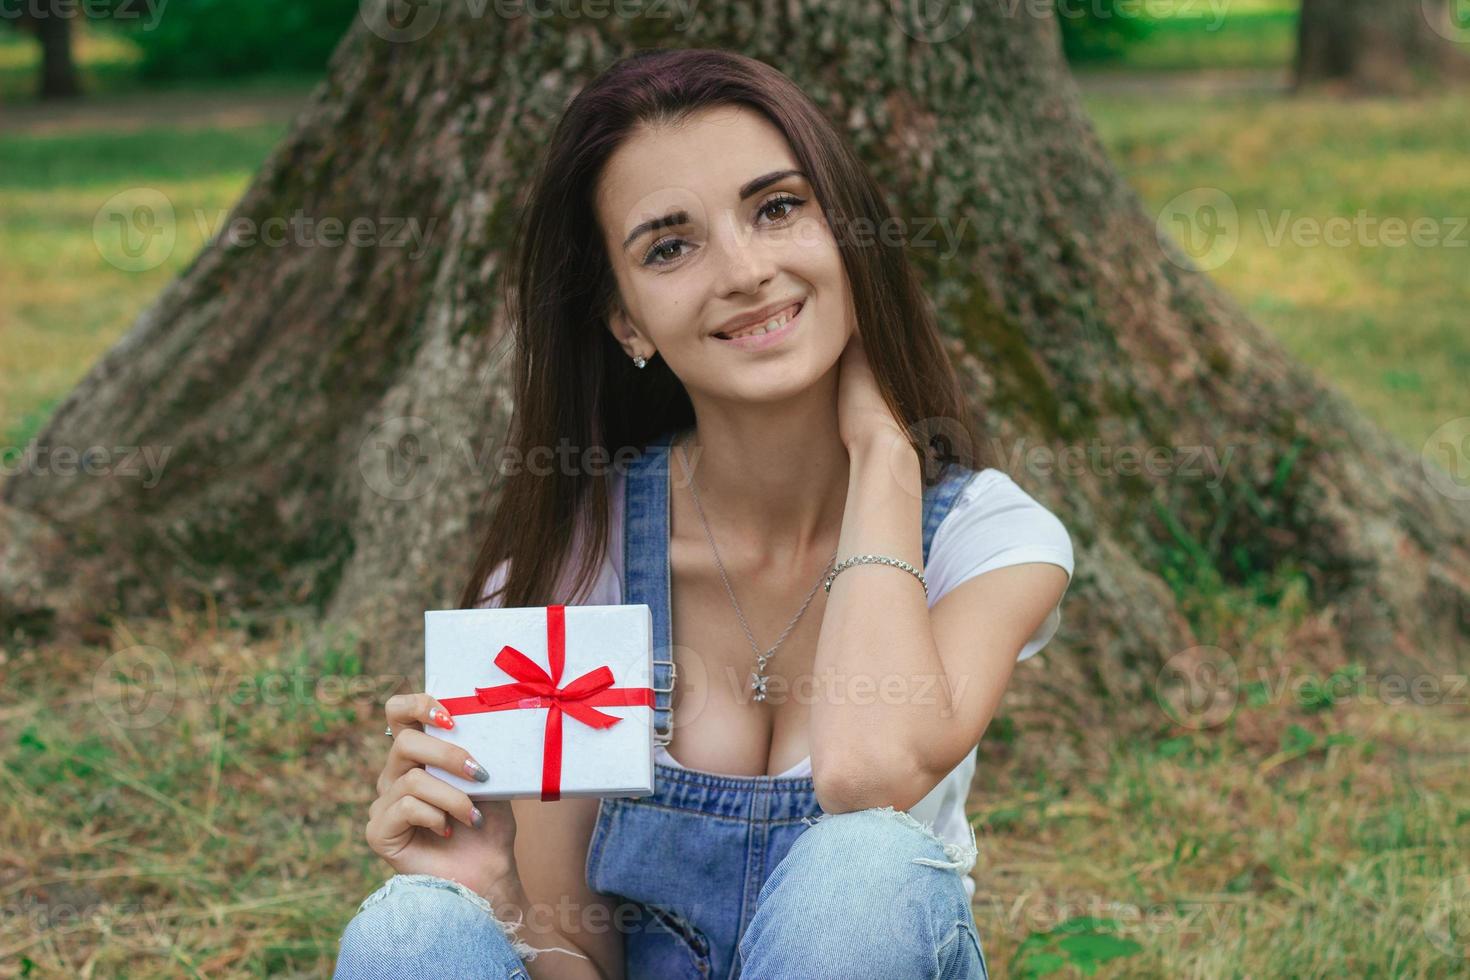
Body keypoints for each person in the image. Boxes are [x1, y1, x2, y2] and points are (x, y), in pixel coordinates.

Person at [335, 47, 1073, 980]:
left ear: (845, 234)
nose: (746, 269)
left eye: (778, 208)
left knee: (868, 864)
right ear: (629, 321)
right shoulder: (579, 562)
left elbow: (869, 773)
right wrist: (498, 892)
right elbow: (577, 956)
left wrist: (886, 457)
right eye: (670, 246)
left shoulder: (989, 540)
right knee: (413, 929)